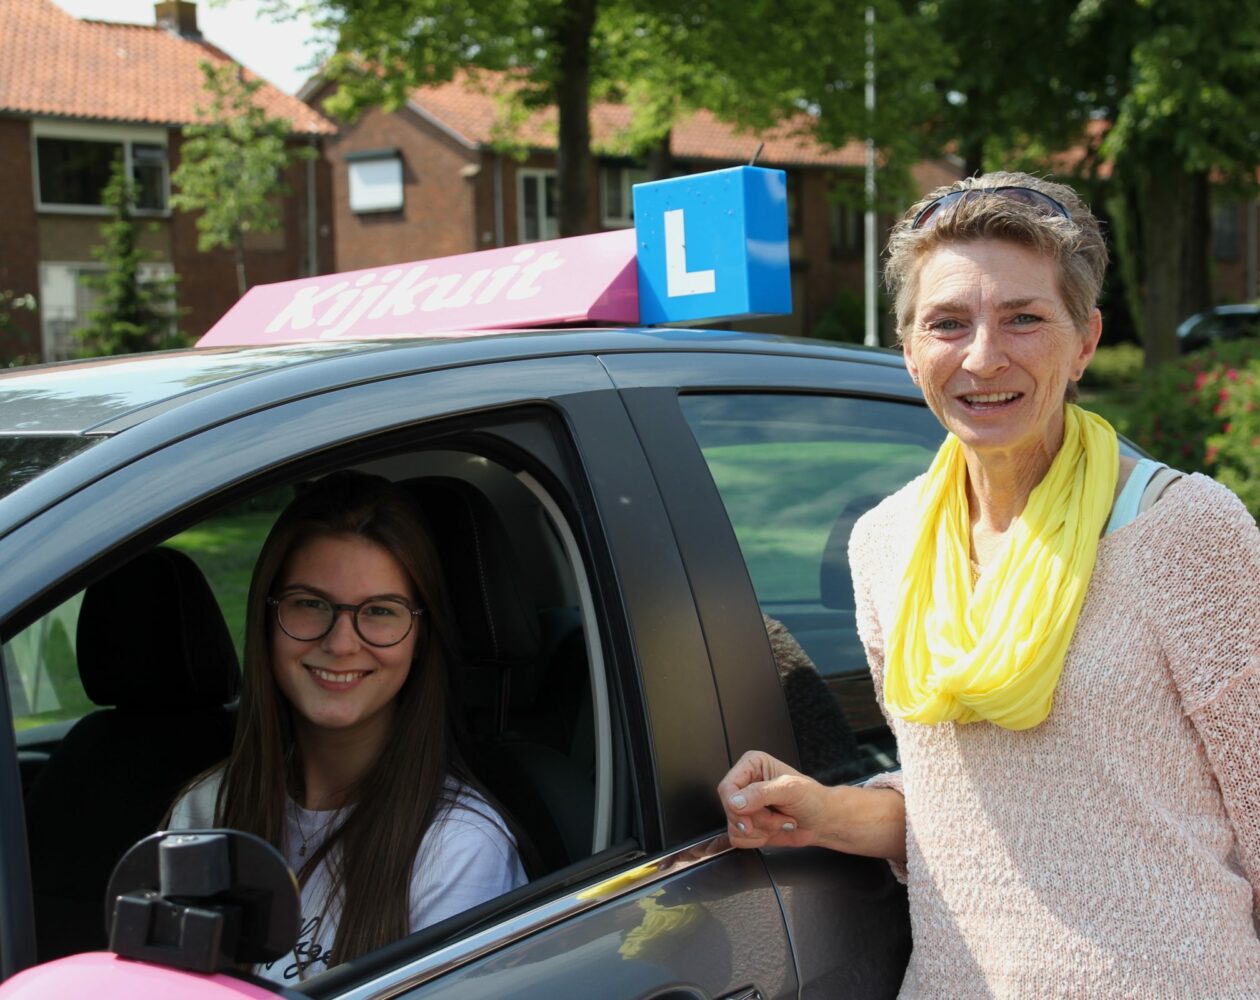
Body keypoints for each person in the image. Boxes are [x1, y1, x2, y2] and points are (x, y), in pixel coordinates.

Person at [719, 172, 1260, 997]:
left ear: (1084, 341)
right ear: (908, 350)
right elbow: (961, 805)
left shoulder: (1184, 530)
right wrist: (821, 810)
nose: (981, 356)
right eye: (946, 323)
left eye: (1023, 318)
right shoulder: (885, 547)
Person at [168, 471, 527, 983]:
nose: (341, 643)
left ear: (420, 638)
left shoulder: (459, 848)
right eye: (311, 604)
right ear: (268, 619)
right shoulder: (206, 810)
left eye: (380, 611)